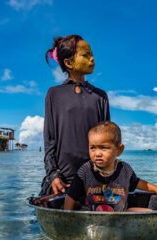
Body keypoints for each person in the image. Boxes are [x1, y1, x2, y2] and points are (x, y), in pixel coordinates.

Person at [41, 34, 110, 195]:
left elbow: (107, 140)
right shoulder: (54, 94)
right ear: (69, 62)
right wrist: (53, 174)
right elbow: (50, 140)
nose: (92, 59)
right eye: (86, 55)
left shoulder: (100, 96)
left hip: (94, 179)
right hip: (63, 180)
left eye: (92, 55)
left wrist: (107, 175)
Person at [64, 121, 157, 212]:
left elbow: (137, 183)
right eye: (93, 148)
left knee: (149, 212)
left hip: (119, 219)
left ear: (119, 150)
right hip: (93, 219)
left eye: (103, 148)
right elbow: (71, 196)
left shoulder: (125, 170)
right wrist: (66, 217)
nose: (97, 153)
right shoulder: (85, 170)